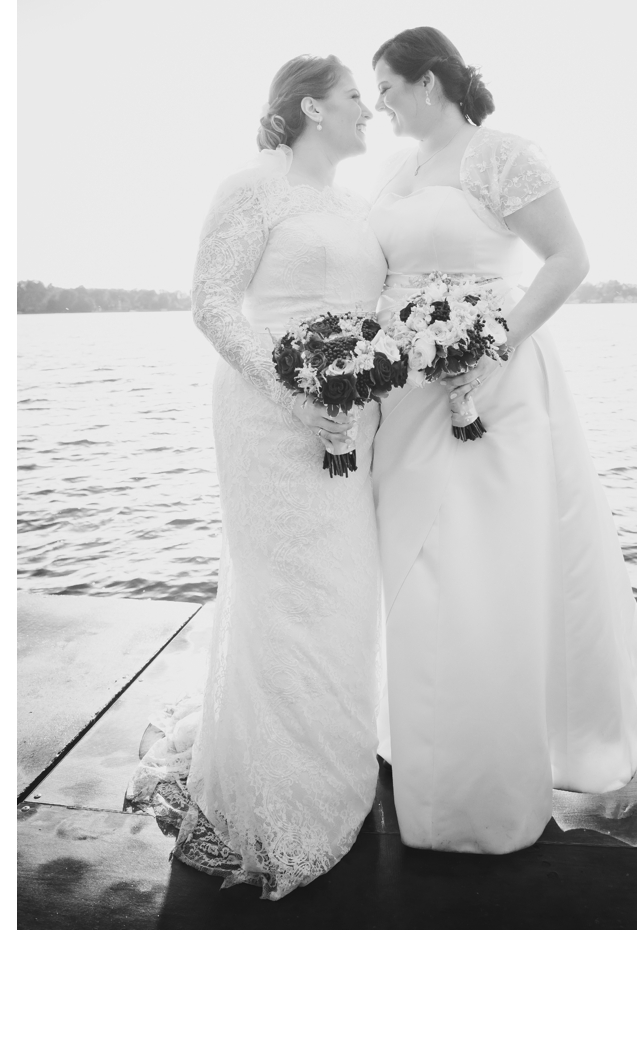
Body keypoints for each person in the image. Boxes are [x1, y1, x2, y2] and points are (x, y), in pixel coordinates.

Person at [366, 27, 637, 854]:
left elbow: (569, 259)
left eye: (385, 87)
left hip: (492, 385)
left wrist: (491, 346)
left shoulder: (503, 155)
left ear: (427, 81)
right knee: (413, 573)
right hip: (406, 394)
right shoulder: (398, 173)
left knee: (480, 573)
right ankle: (421, 754)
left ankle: (483, 791)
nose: (378, 105)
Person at [130, 55, 385, 898]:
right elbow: (210, 302)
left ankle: (336, 773)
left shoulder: (354, 205)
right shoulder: (250, 188)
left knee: (343, 594)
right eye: (355, 96)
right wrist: (293, 392)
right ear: (312, 106)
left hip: (353, 421)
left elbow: (372, 313)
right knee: (285, 598)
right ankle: (281, 803)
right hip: (268, 419)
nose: (367, 110)